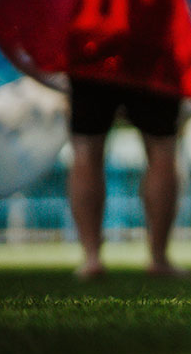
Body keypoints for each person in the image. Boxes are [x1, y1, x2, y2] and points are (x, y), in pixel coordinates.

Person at [65, 75, 184, 280]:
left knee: (86, 149)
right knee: (162, 148)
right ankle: (159, 258)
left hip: (91, 53)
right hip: (152, 57)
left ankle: (91, 257)